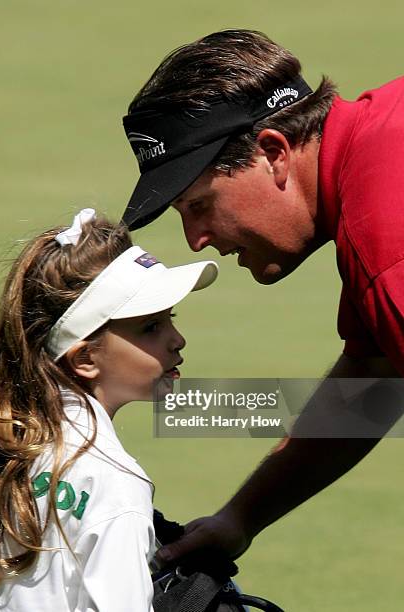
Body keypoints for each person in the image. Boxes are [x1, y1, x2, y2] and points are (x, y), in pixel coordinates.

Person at [120, 29, 403, 564]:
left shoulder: (388, 251)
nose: (196, 240)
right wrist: (242, 517)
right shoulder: (386, 125)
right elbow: (377, 377)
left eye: (198, 205)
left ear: (273, 152)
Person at [0, 208, 218, 611]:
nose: (177, 340)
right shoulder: (115, 483)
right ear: (85, 359)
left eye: (170, 319)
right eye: (151, 327)